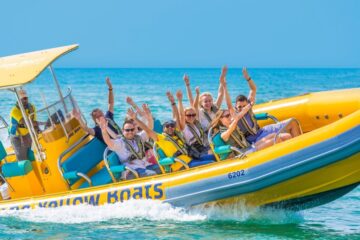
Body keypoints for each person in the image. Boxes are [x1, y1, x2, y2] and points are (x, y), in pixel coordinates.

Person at [223, 66, 299, 145]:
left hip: (262, 131)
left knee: (292, 121)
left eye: (244, 106)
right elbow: (229, 105)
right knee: (286, 136)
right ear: (236, 107)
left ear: (247, 104)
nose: (242, 109)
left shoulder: (249, 106)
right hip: (253, 139)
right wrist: (225, 87)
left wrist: (247, 78)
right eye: (239, 107)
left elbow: (253, 89)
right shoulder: (235, 115)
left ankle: (300, 146)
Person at [98, 114, 161, 179]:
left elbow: (149, 129)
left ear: (135, 130)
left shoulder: (139, 138)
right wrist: (104, 131)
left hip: (144, 165)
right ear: (123, 131)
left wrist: (149, 118)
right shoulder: (120, 143)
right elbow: (109, 142)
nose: (130, 132)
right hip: (131, 171)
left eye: (132, 130)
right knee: (152, 174)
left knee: (163, 168)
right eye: (127, 130)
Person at [210, 108, 276, 157]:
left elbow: (236, 119)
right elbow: (231, 128)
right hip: (242, 153)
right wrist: (236, 118)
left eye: (230, 115)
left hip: (249, 147)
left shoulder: (233, 125)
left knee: (274, 135)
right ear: (221, 119)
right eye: (227, 116)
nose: (230, 117)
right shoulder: (223, 134)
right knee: (274, 140)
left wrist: (248, 106)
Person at [73, 77, 122, 143]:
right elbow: (85, 128)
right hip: (118, 146)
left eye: (101, 113)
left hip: (123, 138)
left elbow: (111, 103)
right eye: (98, 116)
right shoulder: (97, 130)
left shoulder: (108, 117)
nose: (101, 115)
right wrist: (79, 118)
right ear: (95, 120)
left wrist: (110, 88)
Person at [176, 89, 215, 161]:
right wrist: (180, 101)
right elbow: (181, 114)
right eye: (188, 115)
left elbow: (195, 106)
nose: (191, 117)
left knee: (217, 152)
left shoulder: (196, 123)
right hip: (195, 152)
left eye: (193, 115)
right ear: (185, 116)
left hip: (203, 147)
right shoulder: (184, 127)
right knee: (214, 156)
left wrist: (197, 94)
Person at [9, 89, 37, 160]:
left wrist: (37, 131)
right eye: (23, 98)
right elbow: (24, 121)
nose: (25, 100)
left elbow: (34, 121)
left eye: (26, 98)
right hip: (17, 137)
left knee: (34, 153)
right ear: (18, 99)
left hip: (28, 134)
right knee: (22, 159)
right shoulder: (14, 110)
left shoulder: (32, 107)